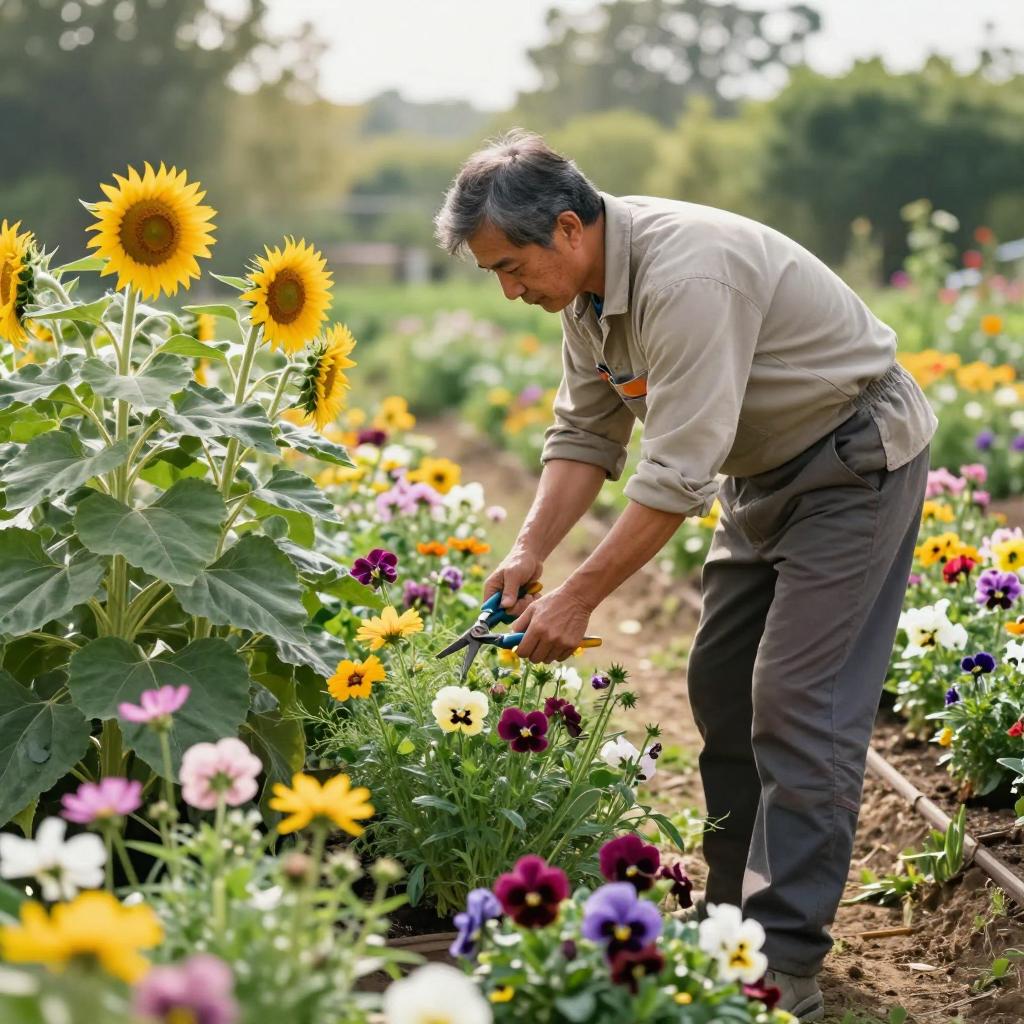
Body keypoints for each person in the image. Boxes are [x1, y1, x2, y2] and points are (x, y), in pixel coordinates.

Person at [433, 129, 936, 1021]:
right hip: (764, 470)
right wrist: (530, 555)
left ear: (566, 228)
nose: (510, 291)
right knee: (720, 681)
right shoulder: (587, 300)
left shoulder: (686, 276)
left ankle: (783, 962)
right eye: (494, 277)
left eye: (511, 267)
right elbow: (587, 436)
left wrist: (580, 597)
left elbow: (673, 477)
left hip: (853, 459)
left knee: (798, 699)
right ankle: (730, 916)